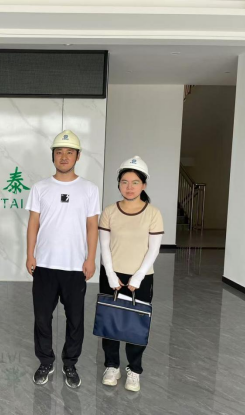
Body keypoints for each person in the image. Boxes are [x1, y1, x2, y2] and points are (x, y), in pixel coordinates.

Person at [25, 130, 101, 389]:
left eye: (69, 152)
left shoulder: (89, 189)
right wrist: (30, 254)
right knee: (42, 318)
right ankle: (45, 361)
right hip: (45, 265)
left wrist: (91, 259)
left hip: (75, 267)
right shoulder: (40, 188)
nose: (64, 156)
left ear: (78, 156)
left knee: (75, 320)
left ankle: (70, 364)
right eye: (59, 152)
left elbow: (92, 226)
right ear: (53, 156)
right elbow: (33, 223)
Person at [98, 155, 163, 392]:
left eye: (135, 182)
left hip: (141, 277)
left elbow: (154, 249)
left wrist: (138, 276)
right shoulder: (109, 212)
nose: (129, 187)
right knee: (110, 321)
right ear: (118, 184)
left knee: (137, 323)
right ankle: (111, 366)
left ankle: (134, 370)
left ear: (143, 185)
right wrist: (110, 274)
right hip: (112, 275)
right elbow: (104, 245)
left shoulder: (153, 213)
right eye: (124, 182)